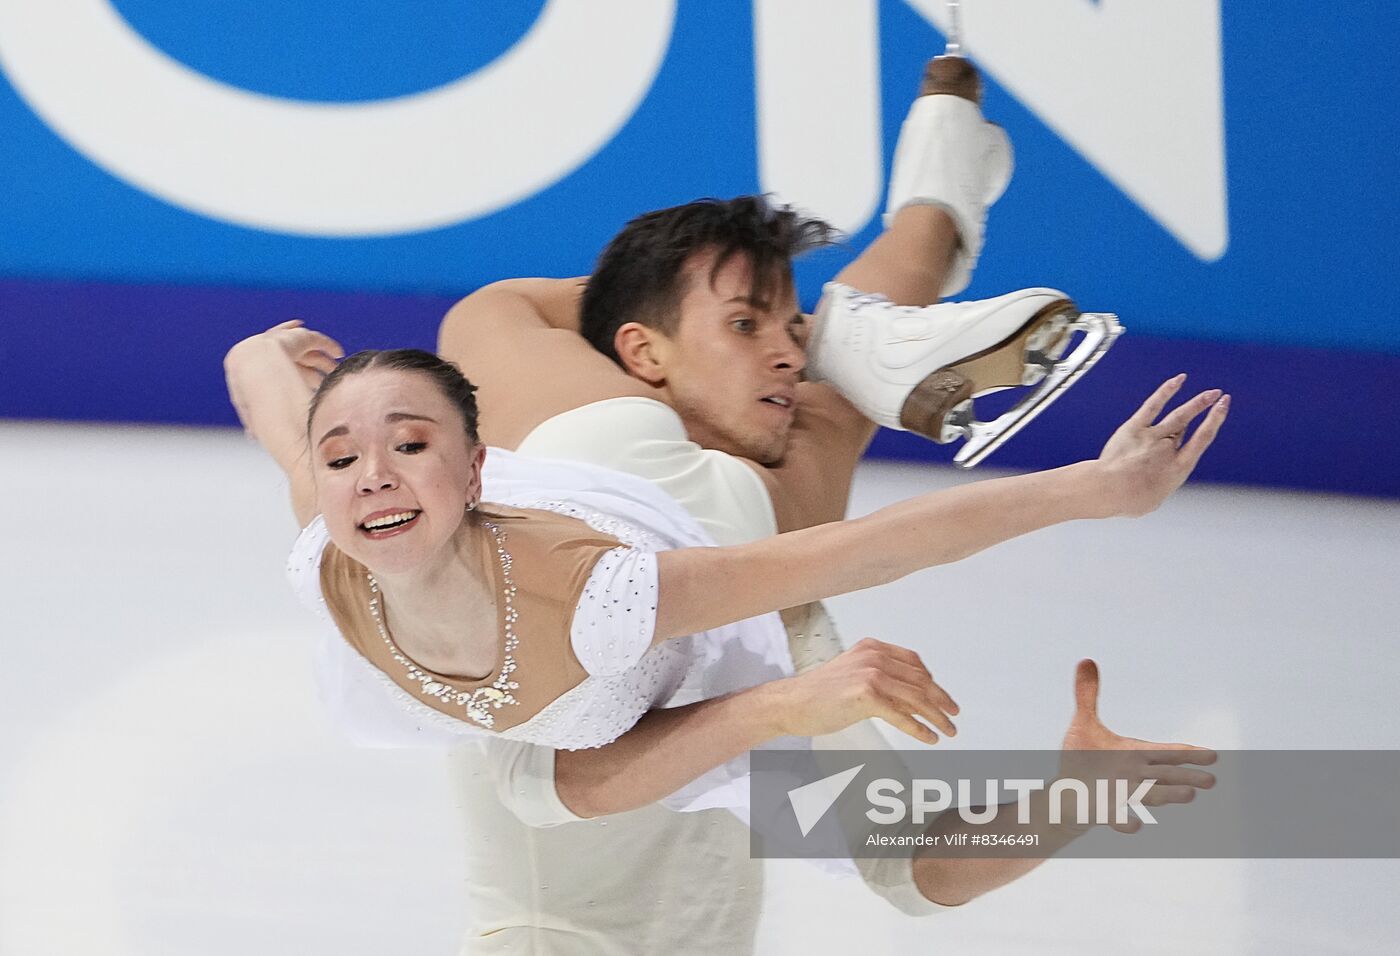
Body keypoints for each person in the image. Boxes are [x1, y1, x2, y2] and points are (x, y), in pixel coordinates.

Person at [425, 54, 1226, 950]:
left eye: (791, 329)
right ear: (642, 351)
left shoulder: (791, 633)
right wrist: (1093, 489)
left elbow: (917, 867)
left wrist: (1069, 800)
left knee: (810, 388)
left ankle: (911, 230)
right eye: (745, 325)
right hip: (631, 516)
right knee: (823, 398)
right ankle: (910, 235)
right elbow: (560, 786)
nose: (783, 352)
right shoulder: (617, 479)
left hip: (692, 512)